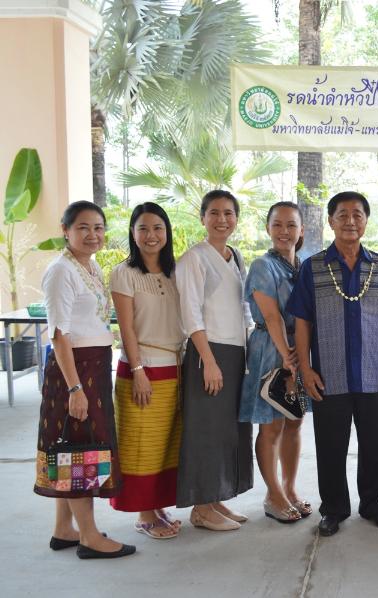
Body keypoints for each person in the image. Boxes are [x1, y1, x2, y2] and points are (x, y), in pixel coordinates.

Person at [288, 191, 378, 537]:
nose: (350, 221)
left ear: (366, 221)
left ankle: (373, 504)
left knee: (374, 444)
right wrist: (306, 369)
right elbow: (302, 321)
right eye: (342, 215)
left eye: (358, 215)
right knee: (331, 445)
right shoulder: (313, 267)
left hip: (374, 373)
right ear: (331, 221)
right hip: (329, 375)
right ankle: (334, 509)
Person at [34, 201, 135, 559]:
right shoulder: (61, 270)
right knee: (79, 451)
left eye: (98, 227)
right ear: (65, 231)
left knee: (73, 446)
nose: (93, 235)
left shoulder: (88, 266)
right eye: (83, 227)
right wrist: (75, 388)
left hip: (93, 365)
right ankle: (89, 537)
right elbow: (58, 334)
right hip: (74, 370)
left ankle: (64, 528)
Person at [176, 190, 253, 531]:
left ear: (236, 218)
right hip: (208, 353)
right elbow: (190, 312)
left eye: (228, 213)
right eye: (215, 213)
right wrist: (208, 360)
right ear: (202, 218)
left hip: (235, 353)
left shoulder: (235, 256)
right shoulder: (194, 258)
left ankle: (215, 498)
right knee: (205, 430)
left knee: (227, 431)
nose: (222, 219)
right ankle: (201, 508)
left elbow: (243, 308)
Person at [110, 202, 184, 539]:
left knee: (165, 443)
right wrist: (138, 369)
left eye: (157, 228)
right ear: (133, 233)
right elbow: (126, 328)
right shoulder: (124, 273)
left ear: (167, 232)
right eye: (143, 228)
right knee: (140, 443)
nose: (151, 235)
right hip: (142, 370)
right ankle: (143, 514)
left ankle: (156, 506)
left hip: (175, 367)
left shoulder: (176, 271)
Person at [238, 202, 312, 524]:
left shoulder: (303, 267)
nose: (284, 231)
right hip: (272, 348)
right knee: (271, 425)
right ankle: (273, 495)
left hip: (298, 348)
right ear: (268, 228)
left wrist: (300, 357)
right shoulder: (262, 266)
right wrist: (288, 359)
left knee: (294, 421)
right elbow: (271, 316)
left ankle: (290, 488)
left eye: (291, 225)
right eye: (277, 225)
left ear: (301, 230)